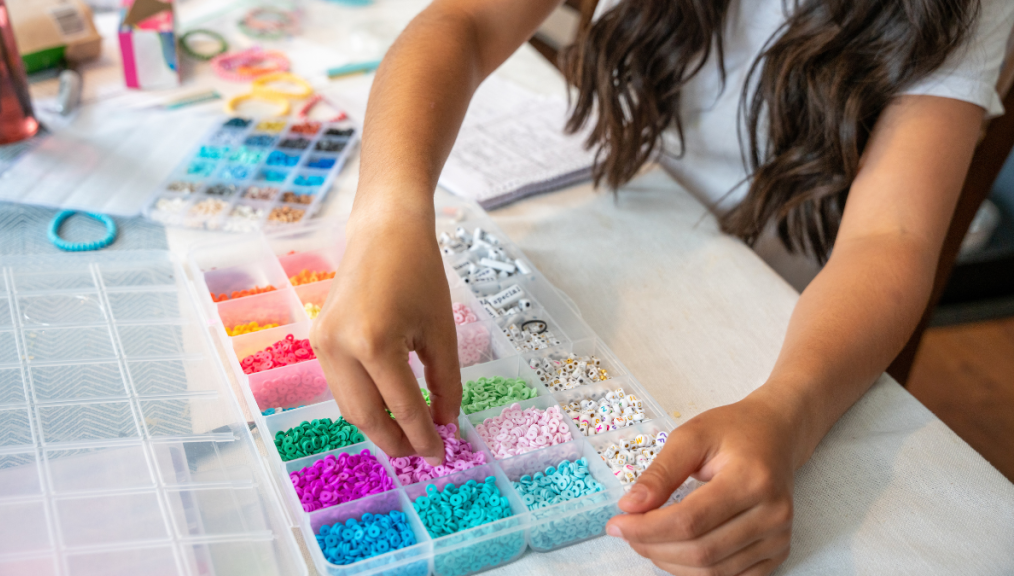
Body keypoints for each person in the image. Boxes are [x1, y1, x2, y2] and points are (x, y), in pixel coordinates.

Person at [310, 0, 1014, 573]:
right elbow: (459, 22)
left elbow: (891, 239)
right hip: (621, 233)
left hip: (777, 312)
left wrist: (788, 411)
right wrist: (388, 216)